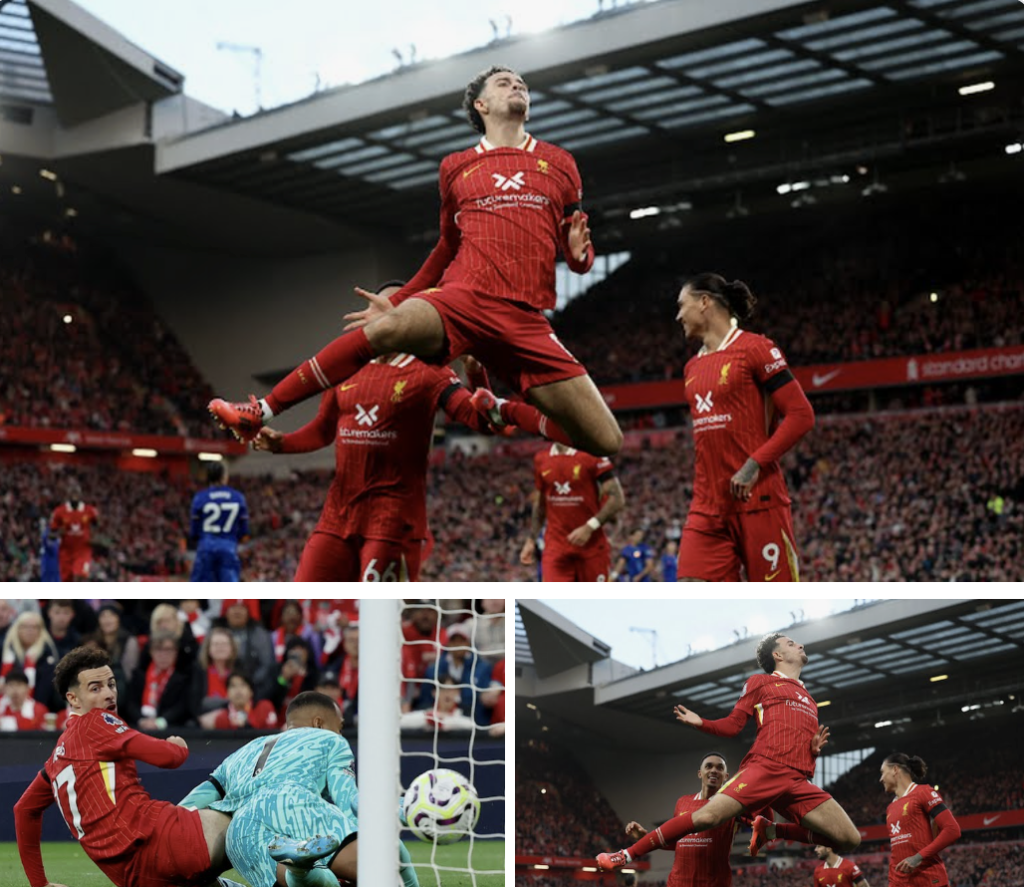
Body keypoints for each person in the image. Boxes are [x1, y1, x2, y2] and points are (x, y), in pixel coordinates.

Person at [209, 65, 623, 459]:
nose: (516, 86)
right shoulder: (456, 167)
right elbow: (446, 247)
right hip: (465, 298)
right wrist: (403, 297)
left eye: (521, 83)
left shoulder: (561, 163)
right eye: (503, 83)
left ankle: (499, 408)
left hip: (525, 318)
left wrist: (580, 256)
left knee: (605, 439)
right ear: (480, 106)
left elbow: (578, 255)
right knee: (388, 327)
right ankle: (260, 410)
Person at [251, 284, 518, 582]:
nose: (389, 314)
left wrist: (475, 372)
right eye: (380, 305)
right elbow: (323, 431)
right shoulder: (346, 367)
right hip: (337, 516)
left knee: (381, 614)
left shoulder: (431, 372)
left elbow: (480, 421)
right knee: (305, 596)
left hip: (393, 521)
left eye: (400, 307)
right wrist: (281, 444)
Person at [597, 632, 860, 871]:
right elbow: (734, 725)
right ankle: (626, 855)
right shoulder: (761, 682)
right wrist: (702, 723)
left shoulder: (810, 699)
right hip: (765, 767)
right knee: (707, 816)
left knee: (849, 839)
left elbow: (795, 741)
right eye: (791, 643)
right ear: (777, 655)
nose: (800, 644)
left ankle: (770, 831)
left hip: (796, 780)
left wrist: (812, 750)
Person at [12, 646, 236, 887]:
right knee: (255, 823)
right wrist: (177, 745)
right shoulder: (95, 722)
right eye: (95, 688)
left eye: (111, 684)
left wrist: (40, 884)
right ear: (73, 699)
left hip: (135, 878)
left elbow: (23, 810)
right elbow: (169, 758)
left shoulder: (56, 760)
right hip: (163, 844)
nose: (109, 694)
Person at [179, 691, 420, 887]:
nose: (340, 732)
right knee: (387, 855)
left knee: (308, 881)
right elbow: (349, 803)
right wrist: (399, 811)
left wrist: (166, 823)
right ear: (319, 723)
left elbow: (201, 795)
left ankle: (299, 868)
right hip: (292, 801)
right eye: (340, 725)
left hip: (240, 829)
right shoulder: (329, 740)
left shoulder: (245, 750)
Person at [674, 273, 814, 581]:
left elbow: (801, 415)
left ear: (704, 302)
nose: (678, 315)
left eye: (682, 305)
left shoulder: (756, 349)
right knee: (689, 584)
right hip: (706, 507)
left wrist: (753, 464)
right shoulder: (691, 368)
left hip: (759, 501)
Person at [621, 753, 737, 887]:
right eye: (709, 766)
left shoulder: (732, 805)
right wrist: (645, 837)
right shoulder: (682, 802)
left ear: (726, 776)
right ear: (700, 773)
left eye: (720, 768)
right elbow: (677, 843)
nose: (714, 771)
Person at [521, 443, 625, 581]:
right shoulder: (541, 458)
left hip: (591, 549)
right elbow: (540, 504)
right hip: (556, 549)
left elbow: (618, 500)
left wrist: (590, 527)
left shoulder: (592, 455)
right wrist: (531, 540)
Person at [879, 753, 960, 886]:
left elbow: (952, 830)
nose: (881, 779)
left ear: (895, 769)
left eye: (883, 772)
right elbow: (898, 851)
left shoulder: (923, 792)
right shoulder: (890, 808)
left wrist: (917, 858)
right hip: (900, 882)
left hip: (929, 880)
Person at [420, 621, 492, 726]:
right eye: (454, 641)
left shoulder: (483, 668)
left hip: (473, 723)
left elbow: (483, 702)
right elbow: (425, 700)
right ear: (448, 643)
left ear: (468, 643)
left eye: (461, 641)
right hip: (438, 721)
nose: (458, 646)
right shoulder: (433, 670)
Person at [123, 631, 196, 730]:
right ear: (151, 652)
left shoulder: (184, 677)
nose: (163, 655)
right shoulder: (139, 675)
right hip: (140, 727)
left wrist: (160, 722)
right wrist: (141, 720)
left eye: (168, 650)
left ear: (176, 652)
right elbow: (131, 703)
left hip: (171, 728)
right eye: (158, 649)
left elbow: (182, 706)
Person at [190, 461, 249, 582]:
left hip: (205, 548)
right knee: (229, 595)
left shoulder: (200, 497)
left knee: (197, 593)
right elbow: (244, 532)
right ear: (224, 476)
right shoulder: (238, 497)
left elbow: (193, 533)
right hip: (228, 548)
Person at [1, 611, 59, 711]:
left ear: (41, 631)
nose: (30, 630)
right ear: (17, 629)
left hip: (37, 710)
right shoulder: (5, 653)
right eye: (25, 626)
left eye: (34, 627)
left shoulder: (48, 656)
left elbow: (46, 691)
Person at [49, 479, 99, 581]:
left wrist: (93, 536)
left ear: (80, 494)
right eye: (72, 491)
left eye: (76, 491)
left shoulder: (89, 511)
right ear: (68, 494)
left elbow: (97, 524)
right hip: (65, 553)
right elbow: (51, 535)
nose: (74, 494)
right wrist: (59, 533)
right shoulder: (59, 512)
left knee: (80, 577)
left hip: (83, 551)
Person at [199, 671, 278, 730]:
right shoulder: (222, 718)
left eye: (243, 685)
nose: (238, 690)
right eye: (233, 686)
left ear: (251, 692)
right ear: (227, 693)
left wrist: (246, 723)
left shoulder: (264, 707)